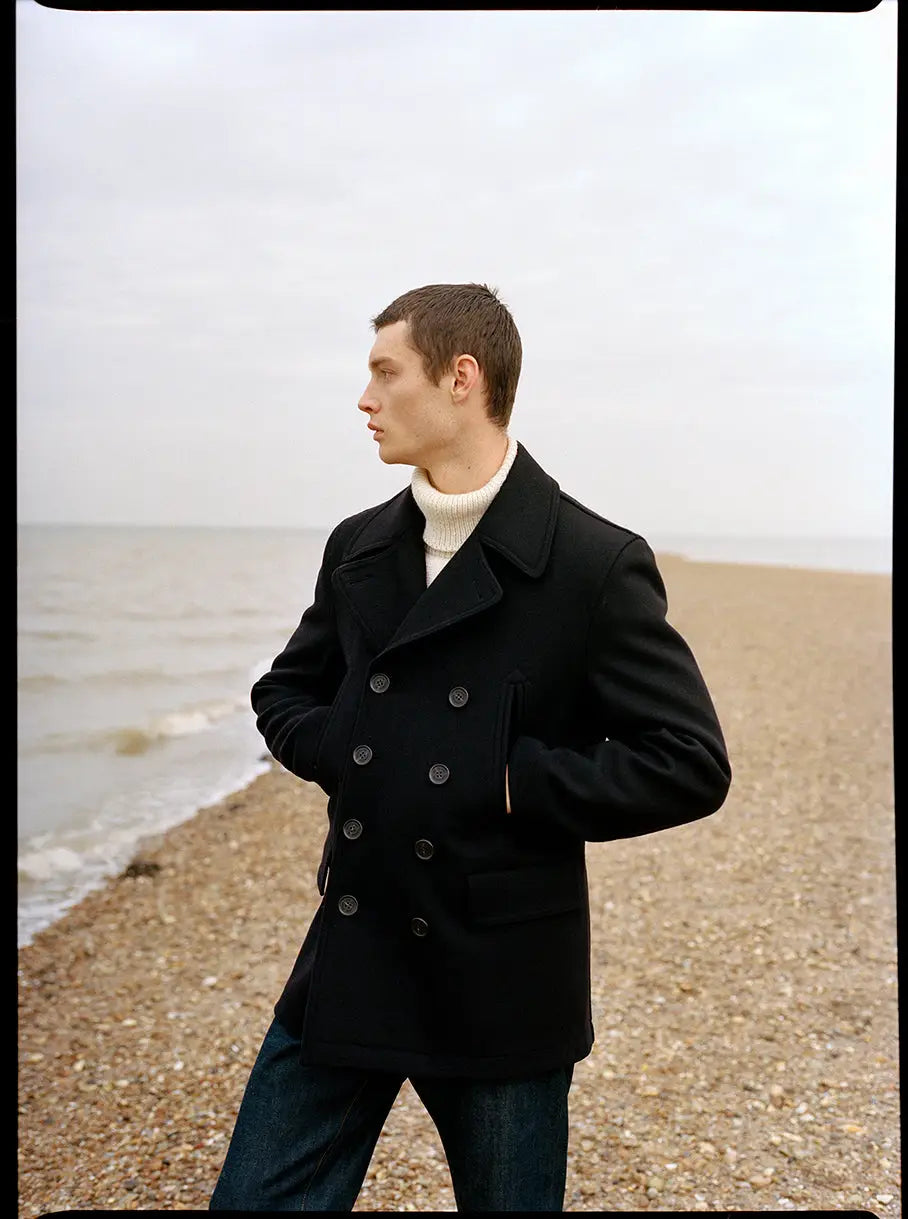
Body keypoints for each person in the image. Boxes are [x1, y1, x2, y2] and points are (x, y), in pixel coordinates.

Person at [209, 282, 731, 1212]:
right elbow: (284, 691)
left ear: (461, 377)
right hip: (357, 940)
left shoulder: (591, 561)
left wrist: (505, 779)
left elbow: (688, 760)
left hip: (502, 972)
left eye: (385, 372)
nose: (365, 398)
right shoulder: (359, 546)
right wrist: (354, 749)